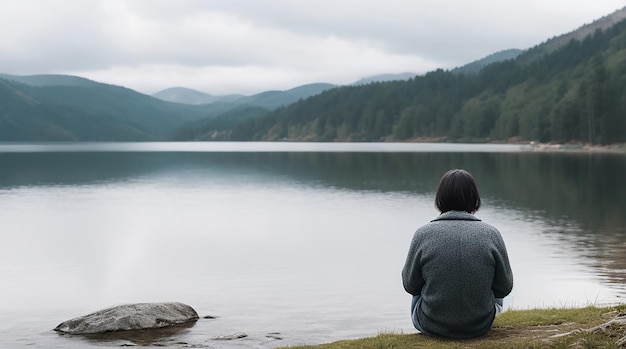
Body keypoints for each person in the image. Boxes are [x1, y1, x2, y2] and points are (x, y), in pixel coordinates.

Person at [402, 169, 513, 339]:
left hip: (431, 324)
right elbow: (504, 288)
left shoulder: (423, 234)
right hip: (479, 325)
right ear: (474, 198)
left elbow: (410, 285)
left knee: (419, 285)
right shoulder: (491, 233)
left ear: (440, 198)